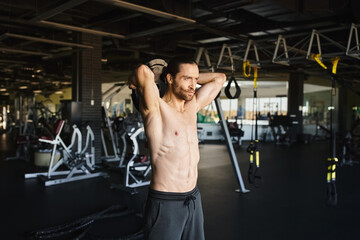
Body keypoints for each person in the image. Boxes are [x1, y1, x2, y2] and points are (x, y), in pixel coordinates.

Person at [128, 56, 226, 240]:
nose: (193, 85)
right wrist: (160, 75)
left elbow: (219, 78)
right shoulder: (156, 108)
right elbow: (142, 70)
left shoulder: (192, 107)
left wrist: (190, 76)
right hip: (166, 201)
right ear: (170, 78)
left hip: (193, 198)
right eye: (187, 79)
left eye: (195, 80)